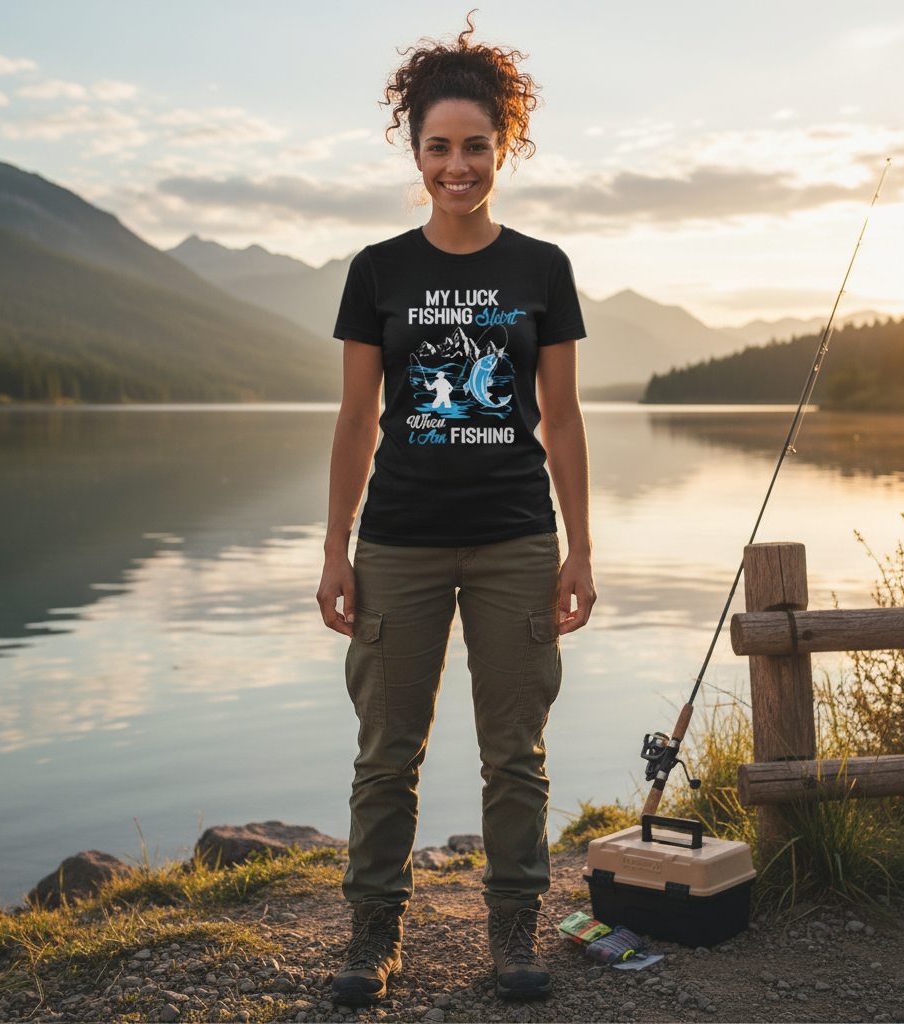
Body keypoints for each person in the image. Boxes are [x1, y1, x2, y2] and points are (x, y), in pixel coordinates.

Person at [316, 15, 595, 1007]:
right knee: (385, 753)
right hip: (396, 543)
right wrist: (334, 551)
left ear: (502, 147)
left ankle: (515, 935)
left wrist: (578, 552)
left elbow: (559, 420)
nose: (458, 165)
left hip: (519, 539)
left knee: (513, 754)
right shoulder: (378, 271)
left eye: (476, 145)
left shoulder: (542, 270)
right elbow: (356, 421)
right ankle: (369, 942)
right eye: (439, 146)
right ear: (415, 149)